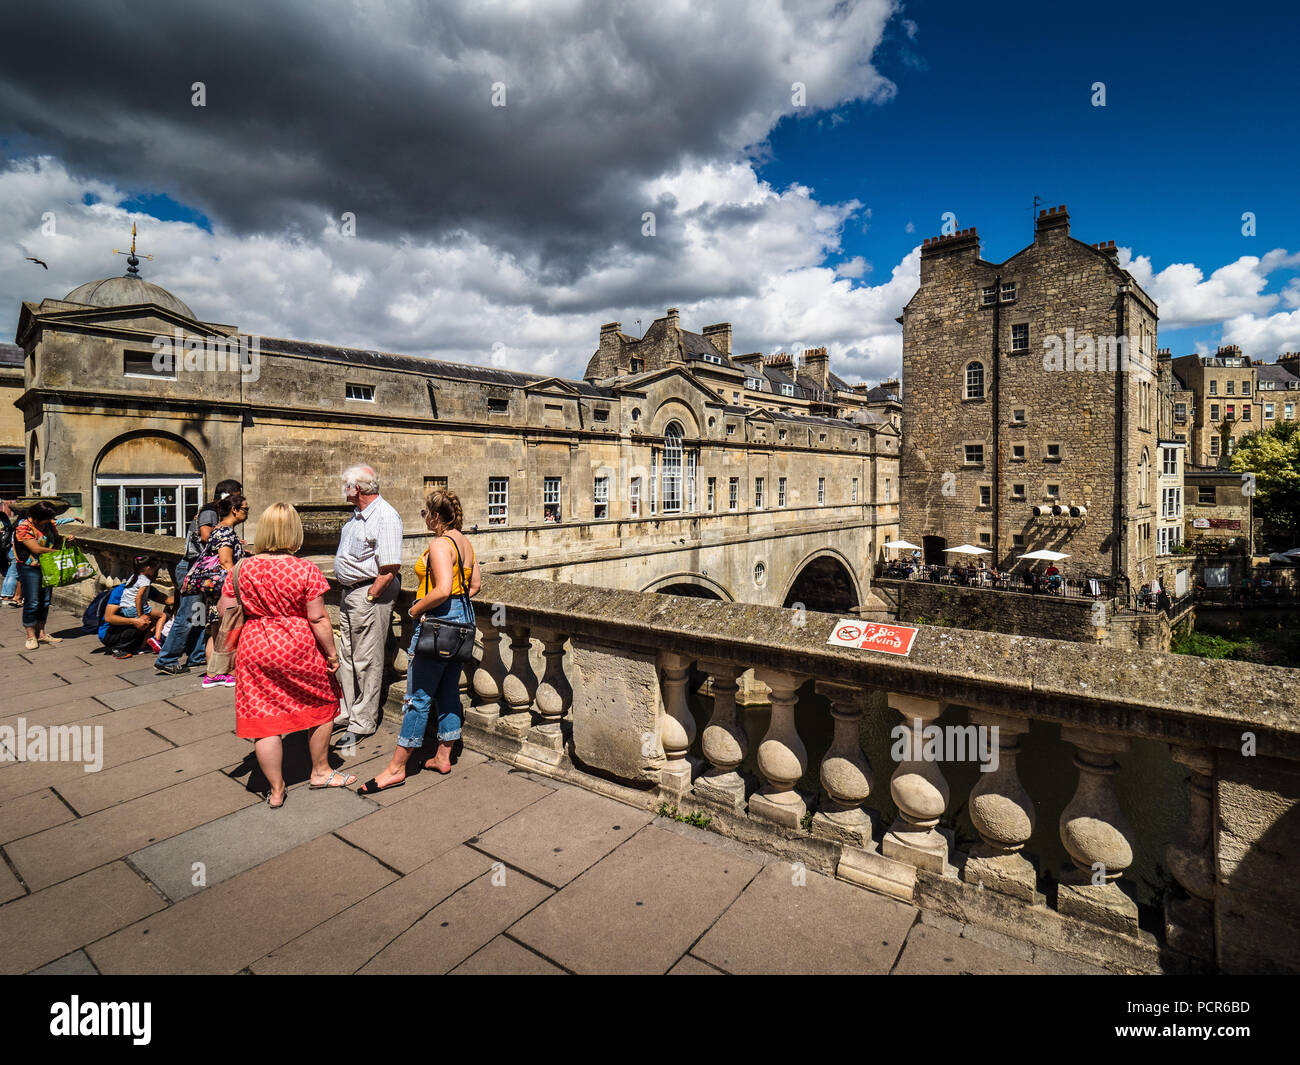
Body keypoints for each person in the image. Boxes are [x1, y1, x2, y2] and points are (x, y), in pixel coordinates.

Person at [214, 502, 355, 807]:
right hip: (298, 647)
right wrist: (332, 655)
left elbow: (224, 610)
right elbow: (318, 618)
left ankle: (276, 789)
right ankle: (320, 771)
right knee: (323, 704)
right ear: (294, 531)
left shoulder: (241, 568)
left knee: (265, 721)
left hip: (254, 647)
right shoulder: (305, 568)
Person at [358, 488, 480, 794]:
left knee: (418, 697)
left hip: (437, 623)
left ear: (436, 516)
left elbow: (442, 588)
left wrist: (415, 608)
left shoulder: (440, 543)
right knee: (448, 690)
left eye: (425, 513)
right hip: (462, 622)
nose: (423, 518)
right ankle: (442, 756)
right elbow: (474, 585)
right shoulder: (465, 543)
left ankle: (397, 768)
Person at [332, 465, 402, 748]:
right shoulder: (357, 516)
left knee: (367, 660)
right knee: (346, 655)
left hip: (367, 595)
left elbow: (390, 567)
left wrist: (371, 596)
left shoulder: (385, 516)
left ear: (356, 489)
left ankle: (363, 721)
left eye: (345, 485)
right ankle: (348, 711)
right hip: (350, 594)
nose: (343, 489)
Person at [155, 479, 242, 675]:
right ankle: (166, 658)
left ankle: (196, 655)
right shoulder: (210, 510)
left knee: (199, 616)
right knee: (187, 615)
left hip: (201, 571)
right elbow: (205, 535)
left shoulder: (214, 511)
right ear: (228, 494)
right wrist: (226, 540)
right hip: (193, 568)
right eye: (237, 494)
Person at [201, 493, 250, 689]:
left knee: (216, 631)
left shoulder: (220, 531)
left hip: (217, 591)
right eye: (245, 509)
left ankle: (212, 673)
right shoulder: (225, 532)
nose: (247, 513)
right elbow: (226, 562)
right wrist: (240, 587)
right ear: (234, 510)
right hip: (225, 592)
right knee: (226, 632)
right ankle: (218, 673)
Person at [13, 502, 70, 650]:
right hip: (30, 567)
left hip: (47, 566)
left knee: (45, 601)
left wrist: (65, 540)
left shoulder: (49, 524)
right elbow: (36, 549)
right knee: (32, 602)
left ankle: (42, 633)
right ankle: (31, 636)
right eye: (49, 518)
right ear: (38, 517)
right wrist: (58, 553)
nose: (52, 520)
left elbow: (55, 540)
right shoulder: (23, 527)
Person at [117, 554, 169, 652]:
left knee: (153, 622)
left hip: (125, 607)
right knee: (162, 616)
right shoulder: (145, 580)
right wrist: (140, 614)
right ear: (148, 568)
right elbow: (138, 598)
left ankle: (143, 647)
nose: (154, 572)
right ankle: (157, 640)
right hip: (134, 607)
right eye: (154, 569)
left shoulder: (133, 577)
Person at [99, 581, 156, 658]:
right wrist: (134, 621)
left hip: (127, 626)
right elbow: (109, 617)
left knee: (159, 618)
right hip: (109, 632)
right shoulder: (121, 590)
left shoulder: (146, 587)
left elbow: (166, 600)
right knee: (138, 624)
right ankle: (118, 648)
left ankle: (141, 645)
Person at [0, 500, 20, 607]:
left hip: (5, 548)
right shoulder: (3, 516)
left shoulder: (3, 516)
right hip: (7, 548)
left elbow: (8, 529)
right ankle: (6, 595)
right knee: (12, 573)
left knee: (7, 571)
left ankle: (5, 594)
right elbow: (8, 529)